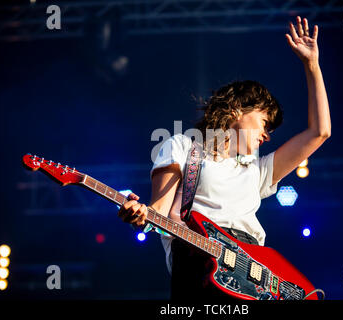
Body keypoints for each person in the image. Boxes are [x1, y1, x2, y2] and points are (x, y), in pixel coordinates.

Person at [118, 16, 331, 300]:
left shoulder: (258, 169)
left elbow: (320, 132)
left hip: (253, 275)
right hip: (197, 266)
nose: (267, 135)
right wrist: (140, 215)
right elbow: (156, 211)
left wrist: (312, 66)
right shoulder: (182, 146)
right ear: (238, 110)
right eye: (265, 123)